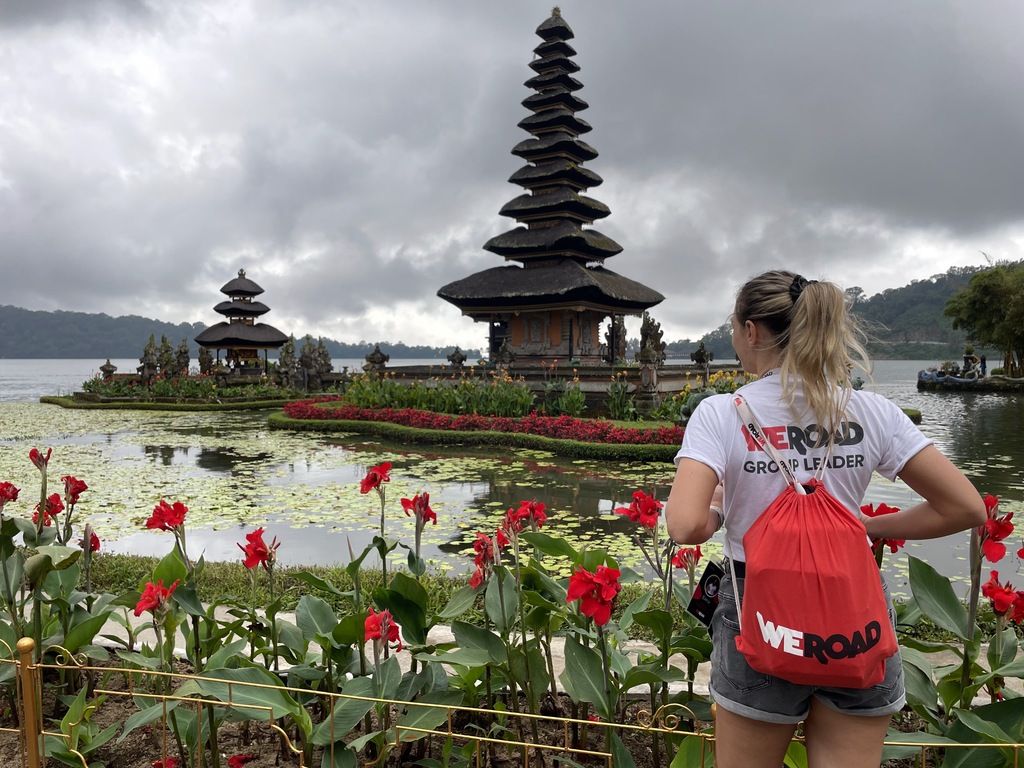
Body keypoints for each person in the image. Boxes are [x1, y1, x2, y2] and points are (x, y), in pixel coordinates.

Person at [664, 270, 985, 768]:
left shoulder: (723, 412)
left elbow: (685, 526)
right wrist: (868, 526)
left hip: (759, 609)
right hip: (852, 611)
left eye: (733, 328)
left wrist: (722, 505)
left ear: (751, 331)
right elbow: (965, 508)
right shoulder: (871, 411)